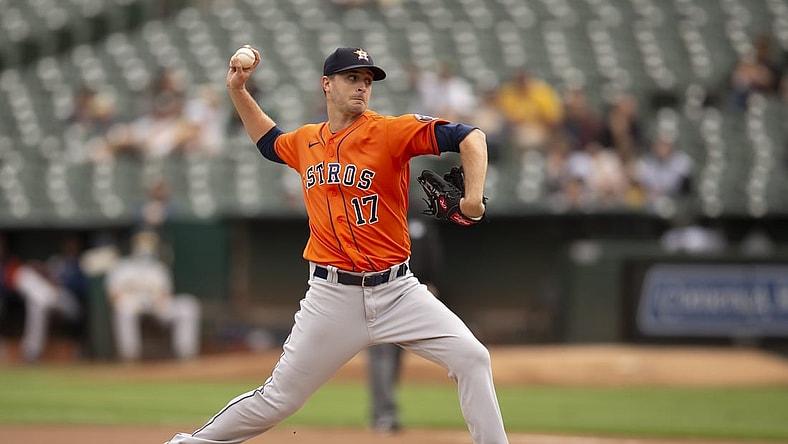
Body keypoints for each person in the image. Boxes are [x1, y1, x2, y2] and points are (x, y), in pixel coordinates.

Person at [164, 46, 508, 443]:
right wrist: (238, 90)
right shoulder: (308, 140)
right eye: (352, 78)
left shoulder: (389, 131)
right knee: (279, 399)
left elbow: (471, 136)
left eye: (367, 80)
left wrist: (473, 200)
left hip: (398, 291)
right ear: (327, 85)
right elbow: (268, 141)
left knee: (473, 357)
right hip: (332, 296)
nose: (362, 87)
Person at [366, 214, 443, 435]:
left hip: (414, 294)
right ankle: (384, 415)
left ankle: (383, 412)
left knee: (395, 356)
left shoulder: (419, 215)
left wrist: (430, 281)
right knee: (382, 355)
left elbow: (432, 252)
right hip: (380, 291)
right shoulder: (375, 207)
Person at [104, 230, 201, 362]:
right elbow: (112, 295)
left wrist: (160, 302)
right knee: (123, 309)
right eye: (143, 242)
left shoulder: (159, 268)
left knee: (188, 305)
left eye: (150, 243)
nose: (146, 246)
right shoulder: (122, 267)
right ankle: (129, 355)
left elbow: (167, 294)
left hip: (156, 306)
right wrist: (130, 302)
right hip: (132, 304)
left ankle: (185, 353)